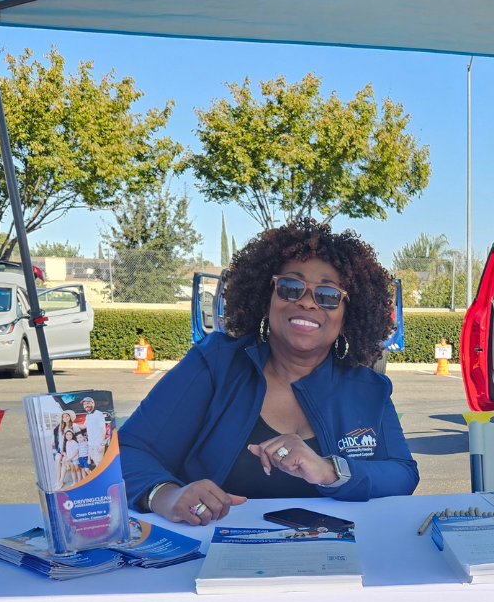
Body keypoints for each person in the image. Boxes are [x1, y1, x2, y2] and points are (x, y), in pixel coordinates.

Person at [119, 220, 419, 526]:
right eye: (290, 287)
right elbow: (128, 451)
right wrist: (164, 494)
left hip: (331, 549)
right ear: (266, 299)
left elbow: (402, 473)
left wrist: (331, 470)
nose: (306, 302)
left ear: (348, 315)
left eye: (328, 295)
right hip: (210, 547)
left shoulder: (369, 389)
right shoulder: (216, 364)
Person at [79, 396, 108, 468]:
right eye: (85, 404)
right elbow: (84, 426)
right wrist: (72, 425)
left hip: (98, 443)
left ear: (93, 404)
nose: (86, 405)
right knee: (95, 461)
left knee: (99, 463)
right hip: (91, 444)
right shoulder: (88, 416)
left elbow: (103, 429)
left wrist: (102, 444)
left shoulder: (98, 414)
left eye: (88, 403)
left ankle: (103, 475)